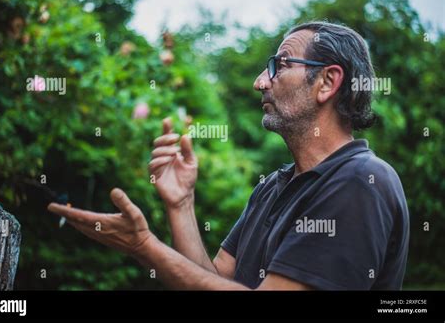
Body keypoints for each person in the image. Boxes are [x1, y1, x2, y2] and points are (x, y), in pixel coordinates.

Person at [48, 21, 409, 290]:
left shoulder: (361, 181)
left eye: (279, 65)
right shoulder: (272, 187)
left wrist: (144, 246)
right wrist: (181, 205)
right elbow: (215, 279)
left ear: (327, 82)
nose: (260, 82)